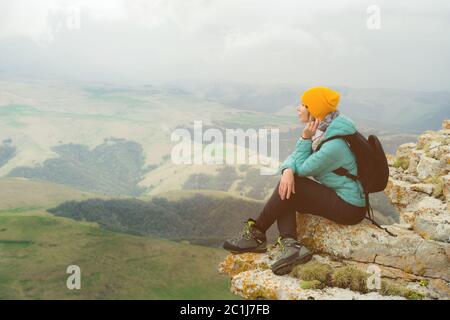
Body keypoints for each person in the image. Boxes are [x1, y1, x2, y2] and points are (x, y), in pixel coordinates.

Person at [223, 86, 367, 275]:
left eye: (304, 105)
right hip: (341, 198)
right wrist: (288, 170)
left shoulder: (333, 144)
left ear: (316, 111)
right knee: (288, 186)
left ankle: (257, 233)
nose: (298, 108)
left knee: (292, 184)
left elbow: (302, 169)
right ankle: (289, 244)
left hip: (350, 207)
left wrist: (302, 140)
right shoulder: (326, 132)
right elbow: (294, 163)